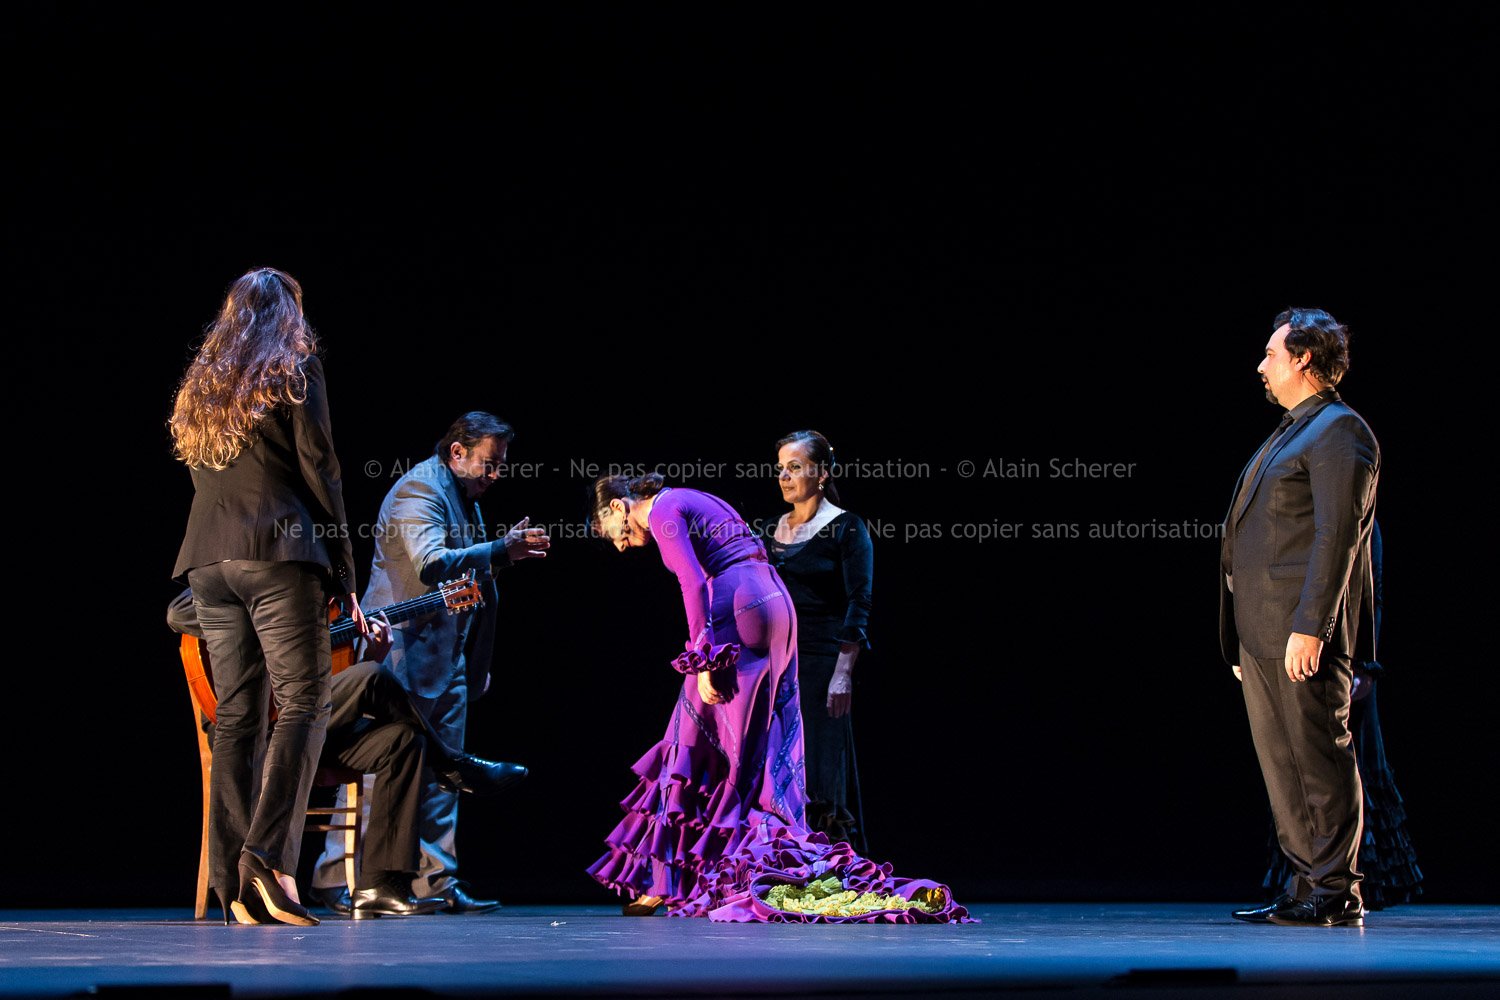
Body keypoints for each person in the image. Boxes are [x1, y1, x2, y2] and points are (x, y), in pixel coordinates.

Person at [587, 474, 967, 922]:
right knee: (757, 744)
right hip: (774, 604)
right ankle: (696, 873)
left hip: (739, 608)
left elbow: (692, 582)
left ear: (618, 507)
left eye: (611, 534)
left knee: (691, 740)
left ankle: (673, 881)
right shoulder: (692, 497)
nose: (621, 546)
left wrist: (702, 657)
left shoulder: (663, 512)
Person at [170, 267, 368, 926]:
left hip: (207, 561)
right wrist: (346, 573)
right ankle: (265, 863)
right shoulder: (293, 369)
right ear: (291, 315)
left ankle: (233, 881)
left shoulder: (203, 386)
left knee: (238, 716)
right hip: (280, 552)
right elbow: (323, 469)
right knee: (306, 702)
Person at [167, 590, 528, 918]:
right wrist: (275, 623)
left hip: (312, 728)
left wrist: (372, 653)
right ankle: (452, 765)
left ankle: (380, 886)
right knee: (372, 676)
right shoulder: (249, 579)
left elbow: (332, 684)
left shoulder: (323, 604)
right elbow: (177, 611)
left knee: (404, 739)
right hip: (262, 727)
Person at [314, 412, 550, 913]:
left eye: (501, 465)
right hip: (400, 650)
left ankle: (435, 882)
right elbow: (429, 563)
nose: (495, 475)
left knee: (449, 776)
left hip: (449, 655)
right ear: (457, 453)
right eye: (489, 464)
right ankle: (336, 877)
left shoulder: (464, 497)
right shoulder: (418, 491)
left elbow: (476, 582)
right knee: (385, 767)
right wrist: (501, 550)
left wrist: (477, 659)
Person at [1221, 307, 1379, 928]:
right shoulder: (1294, 430)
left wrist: (1311, 626)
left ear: (1303, 358)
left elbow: (1338, 538)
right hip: (1263, 631)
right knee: (1283, 766)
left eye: (1271, 354)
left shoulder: (1340, 431)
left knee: (1318, 759)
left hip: (1301, 630)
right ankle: (1305, 884)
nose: (1261, 366)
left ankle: (1336, 891)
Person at [1262, 520, 1423, 909]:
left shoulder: (1363, 529)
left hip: (1349, 661)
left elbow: (1371, 594)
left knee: (1353, 765)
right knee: (1311, 768)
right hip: (1320, 660)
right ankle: (1308, 879)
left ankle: (1356, 883)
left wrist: (1365, 665)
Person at [762, 430, 872, 852]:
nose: (784, 477)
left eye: (795, 467)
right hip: (775, 665)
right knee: (776, 766)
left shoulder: (847, 527)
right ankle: (780, 863)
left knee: (820, 770)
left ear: (822, 473)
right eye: (780, 469)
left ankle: (827, 865)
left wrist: (843, 674)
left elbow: (859, 603)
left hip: (822, 664)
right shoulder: (769, 529)